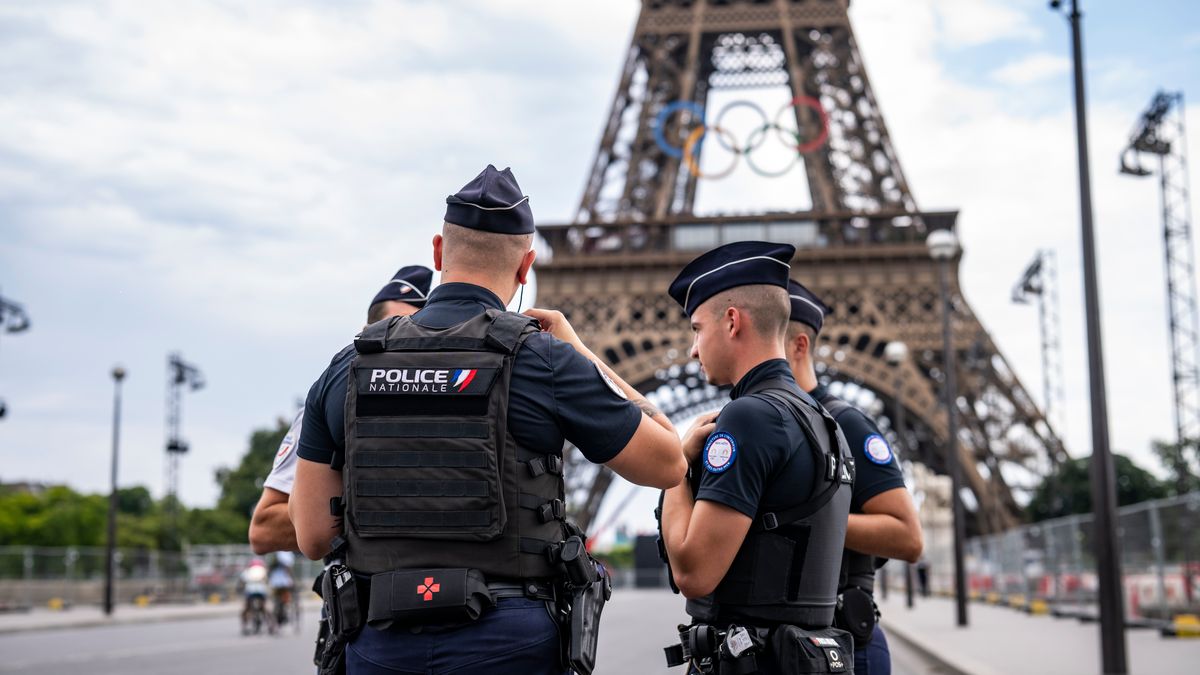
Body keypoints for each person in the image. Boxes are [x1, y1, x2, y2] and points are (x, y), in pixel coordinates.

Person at [290, 164, 686, 675]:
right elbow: (668, 462)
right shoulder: (544, 359)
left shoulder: (350, 364)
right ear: (527, 267)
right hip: (507, 637)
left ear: (438, 252)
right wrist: (582, 351)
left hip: (380, 640)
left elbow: (312, 537)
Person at [659, 241, 855, 674]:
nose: (693, 349)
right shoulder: (824, 421)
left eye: (696, 329)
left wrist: (672, 470)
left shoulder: (749, 417)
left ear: (732, 321)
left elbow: (693, 573)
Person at [784, 280, 924, 675]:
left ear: (799, 345)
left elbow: (908, 538)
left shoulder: (847, 423)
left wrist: (795, 523)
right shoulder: (762, 425)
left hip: (842, 644)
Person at [248, 265, 434, 554]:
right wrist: (360, 504)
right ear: (364, 334)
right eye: (394, 329)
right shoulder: (332, 404)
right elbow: (263, 530)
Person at [239, 557, 271, 634]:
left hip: (254, 592)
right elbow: (267, 581)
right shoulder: (261, 572)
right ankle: (271, 625)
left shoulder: (250, 572)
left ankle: (244, 625)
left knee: (250, 608)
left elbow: (242, 582)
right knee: (259, 608)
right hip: (256, 592)